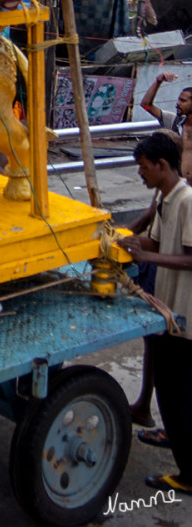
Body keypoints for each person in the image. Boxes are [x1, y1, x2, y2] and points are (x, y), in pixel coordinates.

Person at [118, 132, 192, 495]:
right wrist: (126, 242)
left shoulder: (188, 200)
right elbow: (159, 242)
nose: (141, 175)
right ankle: (176, 439)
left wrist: (147, 257)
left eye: (144, 168)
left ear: (163, 165)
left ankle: (189, 473)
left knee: (179, 393)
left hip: (186, 316)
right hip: (168, 311)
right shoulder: (166, 198)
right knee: (170, 389)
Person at [140, 71, 192, 183]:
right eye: (179, 99)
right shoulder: (174, 122)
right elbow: (145, 105)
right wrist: (158, 81)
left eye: (183, 101)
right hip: (178, 185)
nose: (178, 103)